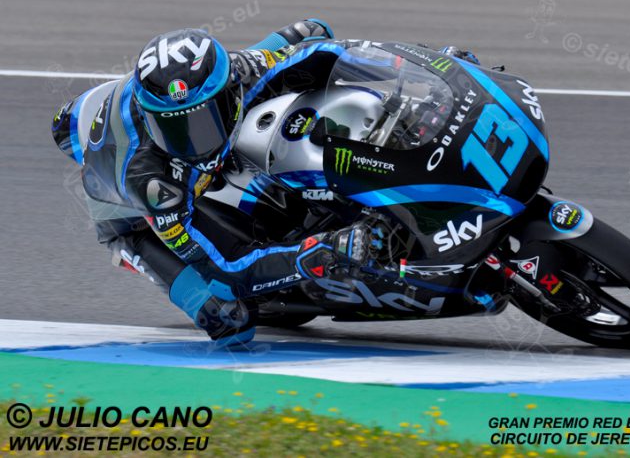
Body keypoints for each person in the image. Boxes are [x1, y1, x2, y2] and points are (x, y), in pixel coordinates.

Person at [52, 19, 383, 346]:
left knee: (309, 34)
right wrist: (313, 255)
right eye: (174, 130)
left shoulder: (240, 70)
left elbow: (323, 50)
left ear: (228, 93)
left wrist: (414, 67)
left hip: (215, 80)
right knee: (227, 319)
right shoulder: (151, 183)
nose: (191, 142)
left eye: (201, 122)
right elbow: (227, 265)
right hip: (128, 218)